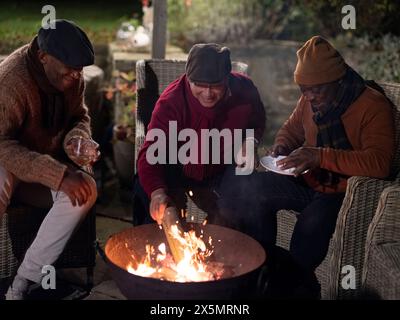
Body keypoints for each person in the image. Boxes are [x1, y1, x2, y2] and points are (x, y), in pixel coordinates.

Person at [255, 35, 394, 297]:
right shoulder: (309, 99)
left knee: (311, 226)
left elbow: (380, 163)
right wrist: (282, 147)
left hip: (343, 191)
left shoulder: (372, 106)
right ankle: (261, 268)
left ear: (338, 82)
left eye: (316, 90)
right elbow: (292, 129)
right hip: (310, 179)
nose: (308, 96)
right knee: (250, 187)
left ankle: (294, 286)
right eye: (303, 89)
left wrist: (319, 156)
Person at [0, 19, 98, 299]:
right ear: (43, 57)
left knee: (84, 191)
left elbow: (79, 116)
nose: (77, 77)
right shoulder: (11, 80)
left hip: (42, 163)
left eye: (80, 71)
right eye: (70, 71)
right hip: (6, 158)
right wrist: (58, 175)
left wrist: (77, 141)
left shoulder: (70, 76)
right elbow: (2, 144)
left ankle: (21, 284)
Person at [135, 43, 266, 243]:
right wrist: (157, 193)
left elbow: (257, 121)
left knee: (249, 202)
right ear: (189, 79)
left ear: (227, 79)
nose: (208, 93)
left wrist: (251, 140)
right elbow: (150, 154)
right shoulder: (171, 103)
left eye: (216, 86)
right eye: (200, 85)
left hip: (223, 169)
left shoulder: (245, 89)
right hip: (179, 168)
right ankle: (150, 252)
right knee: (145, 192)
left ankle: (248, 260)